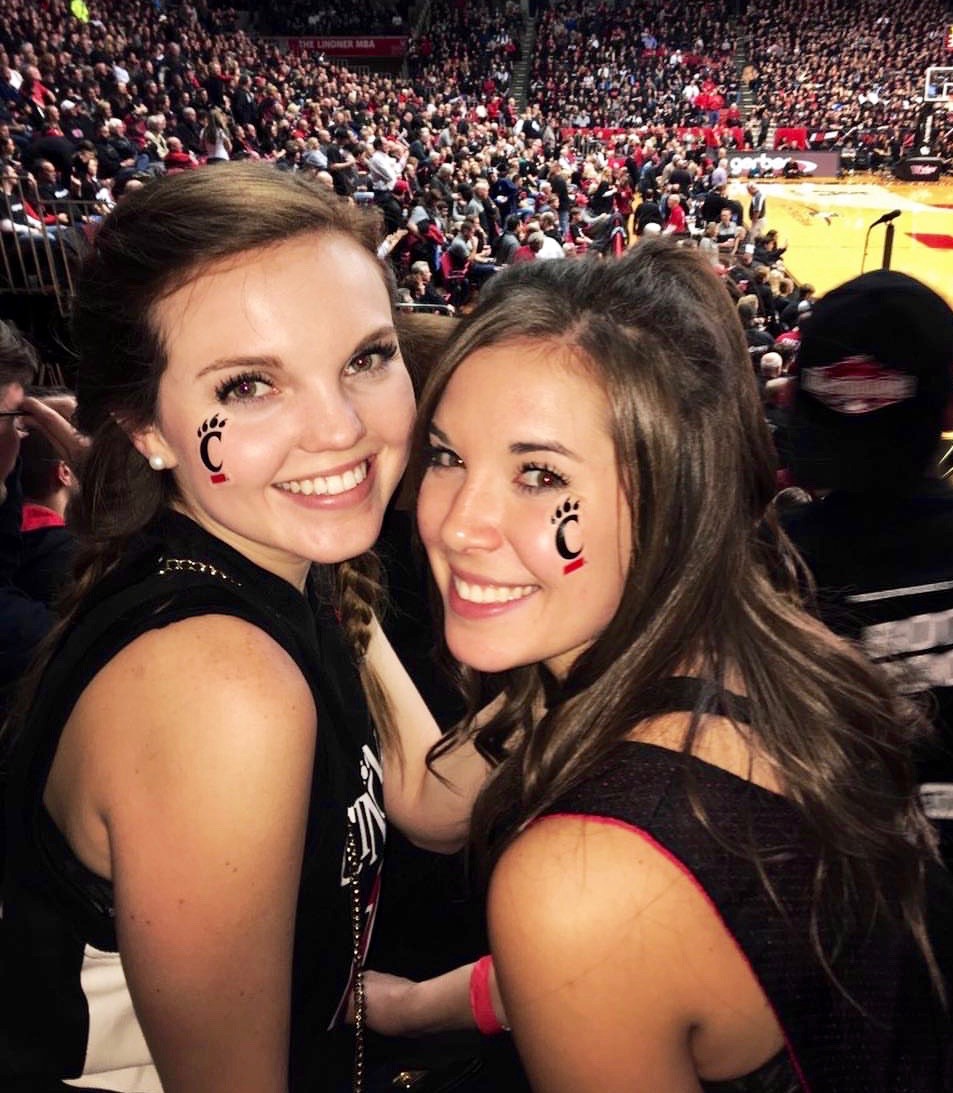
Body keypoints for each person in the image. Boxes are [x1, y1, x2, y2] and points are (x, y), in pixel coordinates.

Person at [404, 243, 951, 1090]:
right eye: (445, 455)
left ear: (673, 495)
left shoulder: (584, 872)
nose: (457, 522)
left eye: (539, 474)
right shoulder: (780, 653)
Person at [0, 164, 487, 1092]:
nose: (339, 427)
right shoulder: (219, 682)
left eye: (366, 358)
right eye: (251, 385)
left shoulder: (300, 562)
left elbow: (430, 799)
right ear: (146, 427)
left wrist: (606, 643)